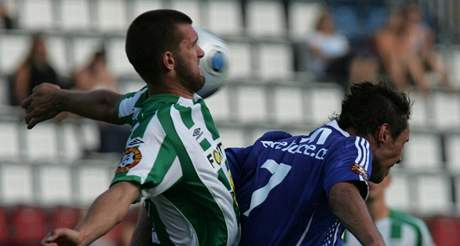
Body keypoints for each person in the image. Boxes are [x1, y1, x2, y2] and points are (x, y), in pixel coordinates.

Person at [26, 80, 410, 245]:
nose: (402, 156)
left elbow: (181, 180)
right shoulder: (351, 147)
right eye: (402, 142)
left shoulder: (274, 145)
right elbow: (344, 191)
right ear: (380, 134)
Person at [38, 9, 240, 246]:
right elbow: (123, 192)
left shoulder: (158, 98)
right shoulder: (161, 129)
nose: (201, 52)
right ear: (169, 61)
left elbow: (109, 104)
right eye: (193, 45)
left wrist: (60, 99)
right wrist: (83, 234)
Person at [343, 175, 434, 245]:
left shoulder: (413, 227)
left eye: (377, 175)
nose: (370, 181)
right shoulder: (341, 228)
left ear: (388, 180)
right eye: (366, 174)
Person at [10, 33, 60, 105]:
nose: (43, 49)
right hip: (33, 106)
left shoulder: (50, 69)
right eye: (40, 46)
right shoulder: (26, 68)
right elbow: (21, 91)